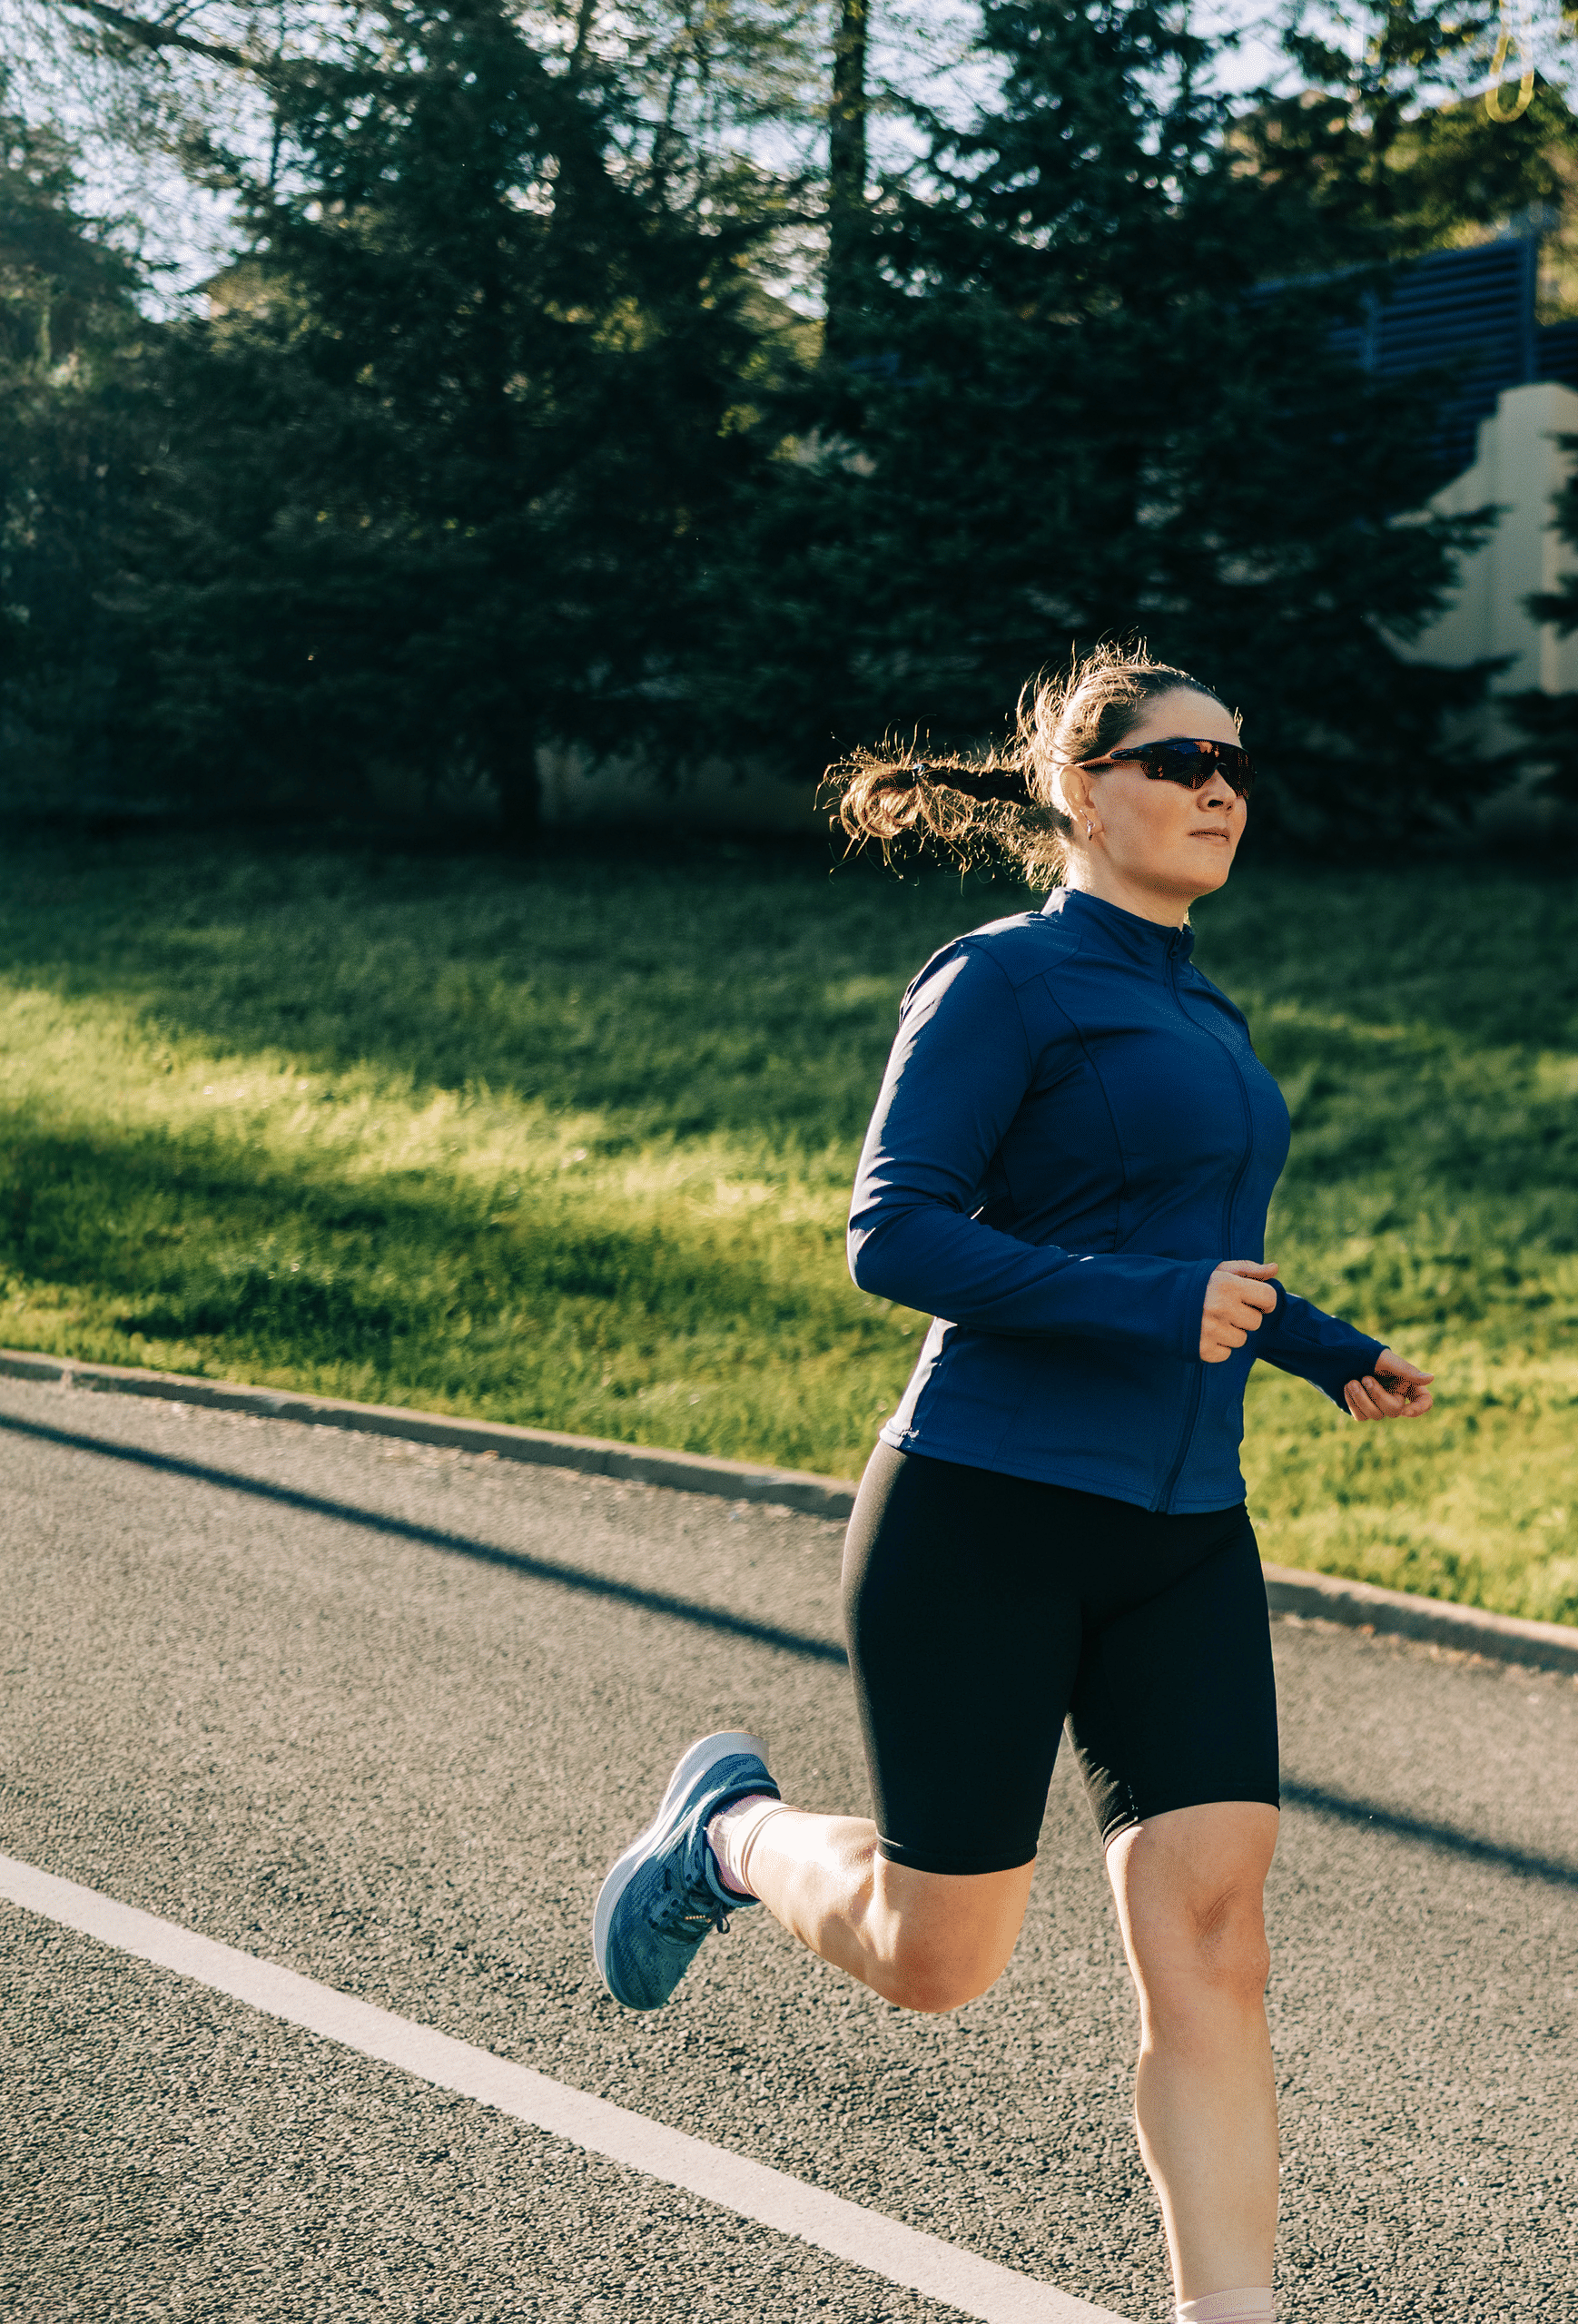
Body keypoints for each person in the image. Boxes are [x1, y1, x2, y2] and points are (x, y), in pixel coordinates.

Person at [587, 642, 1435, 2324]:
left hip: (1186, 1529)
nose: (1217, 790)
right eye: (1179, 759)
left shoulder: (1204, 1001)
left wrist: (1320, 1346)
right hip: (984, 1509)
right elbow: (893, 1232)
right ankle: (731, 1834)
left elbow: (1194, 1247)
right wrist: (1154, 1304)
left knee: (1212, 1943)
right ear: (1078, 785)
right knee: (938, 1961)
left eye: (1237, 767)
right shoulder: (998, 981)